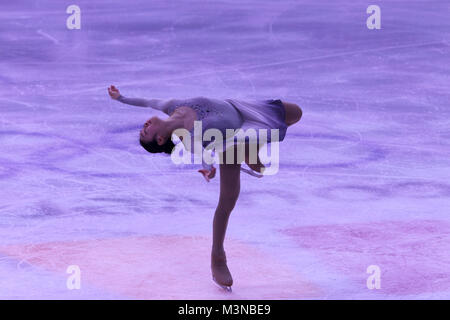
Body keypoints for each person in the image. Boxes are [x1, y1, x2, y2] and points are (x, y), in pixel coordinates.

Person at [108, 85, 302, 291]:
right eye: (146, 132)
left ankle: (252, 147)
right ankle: (217, 255)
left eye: (143, 128)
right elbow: (205, 154)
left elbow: (146, 101)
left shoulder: (172, 106)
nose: (145, 125)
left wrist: (121, 98)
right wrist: (209, 170)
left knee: (295, 112)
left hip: (241, 110)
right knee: (227, 202)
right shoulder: (190, 138)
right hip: (229, 144)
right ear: (160, 139)